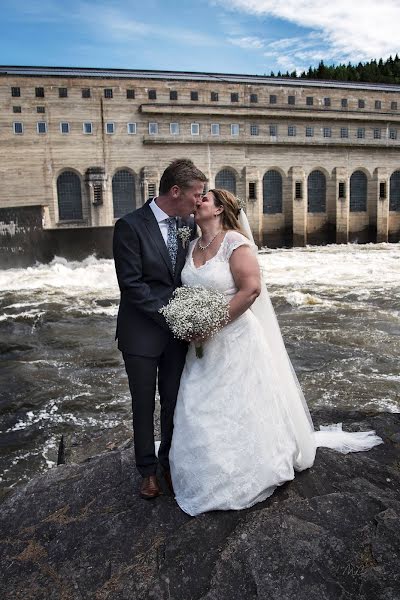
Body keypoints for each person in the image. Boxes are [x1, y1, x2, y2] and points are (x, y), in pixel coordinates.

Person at [169, 189, 383, 516]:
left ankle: (247, 470)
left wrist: (212, 323)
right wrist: (189, 320)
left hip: (235, 339)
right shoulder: (193, 245)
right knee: (198, 406)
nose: (198, 203)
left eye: (205, 200)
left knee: (239, 405)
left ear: (220, 209)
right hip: (201, 345)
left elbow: (251, 289)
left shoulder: (234, 243)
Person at [113, 158, 207, 500]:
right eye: (197, 194)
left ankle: (168, 462)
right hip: (140, 333)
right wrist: (173, 315)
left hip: (176, 335)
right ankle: (146, 471)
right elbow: (132, 286)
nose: (200, 200)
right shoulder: (129, 226)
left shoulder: (189, 226)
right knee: (143, 403)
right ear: (176, 191)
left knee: (172, 400)